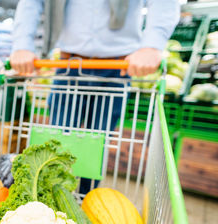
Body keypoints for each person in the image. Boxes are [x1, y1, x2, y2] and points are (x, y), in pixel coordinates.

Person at [10, 0, 180, 193]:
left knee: (97, 145)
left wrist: (152, 46)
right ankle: (52, 197)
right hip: (69, 65)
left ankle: (85, 199)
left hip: (118, 67)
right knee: (57, 142)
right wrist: (22, 45)